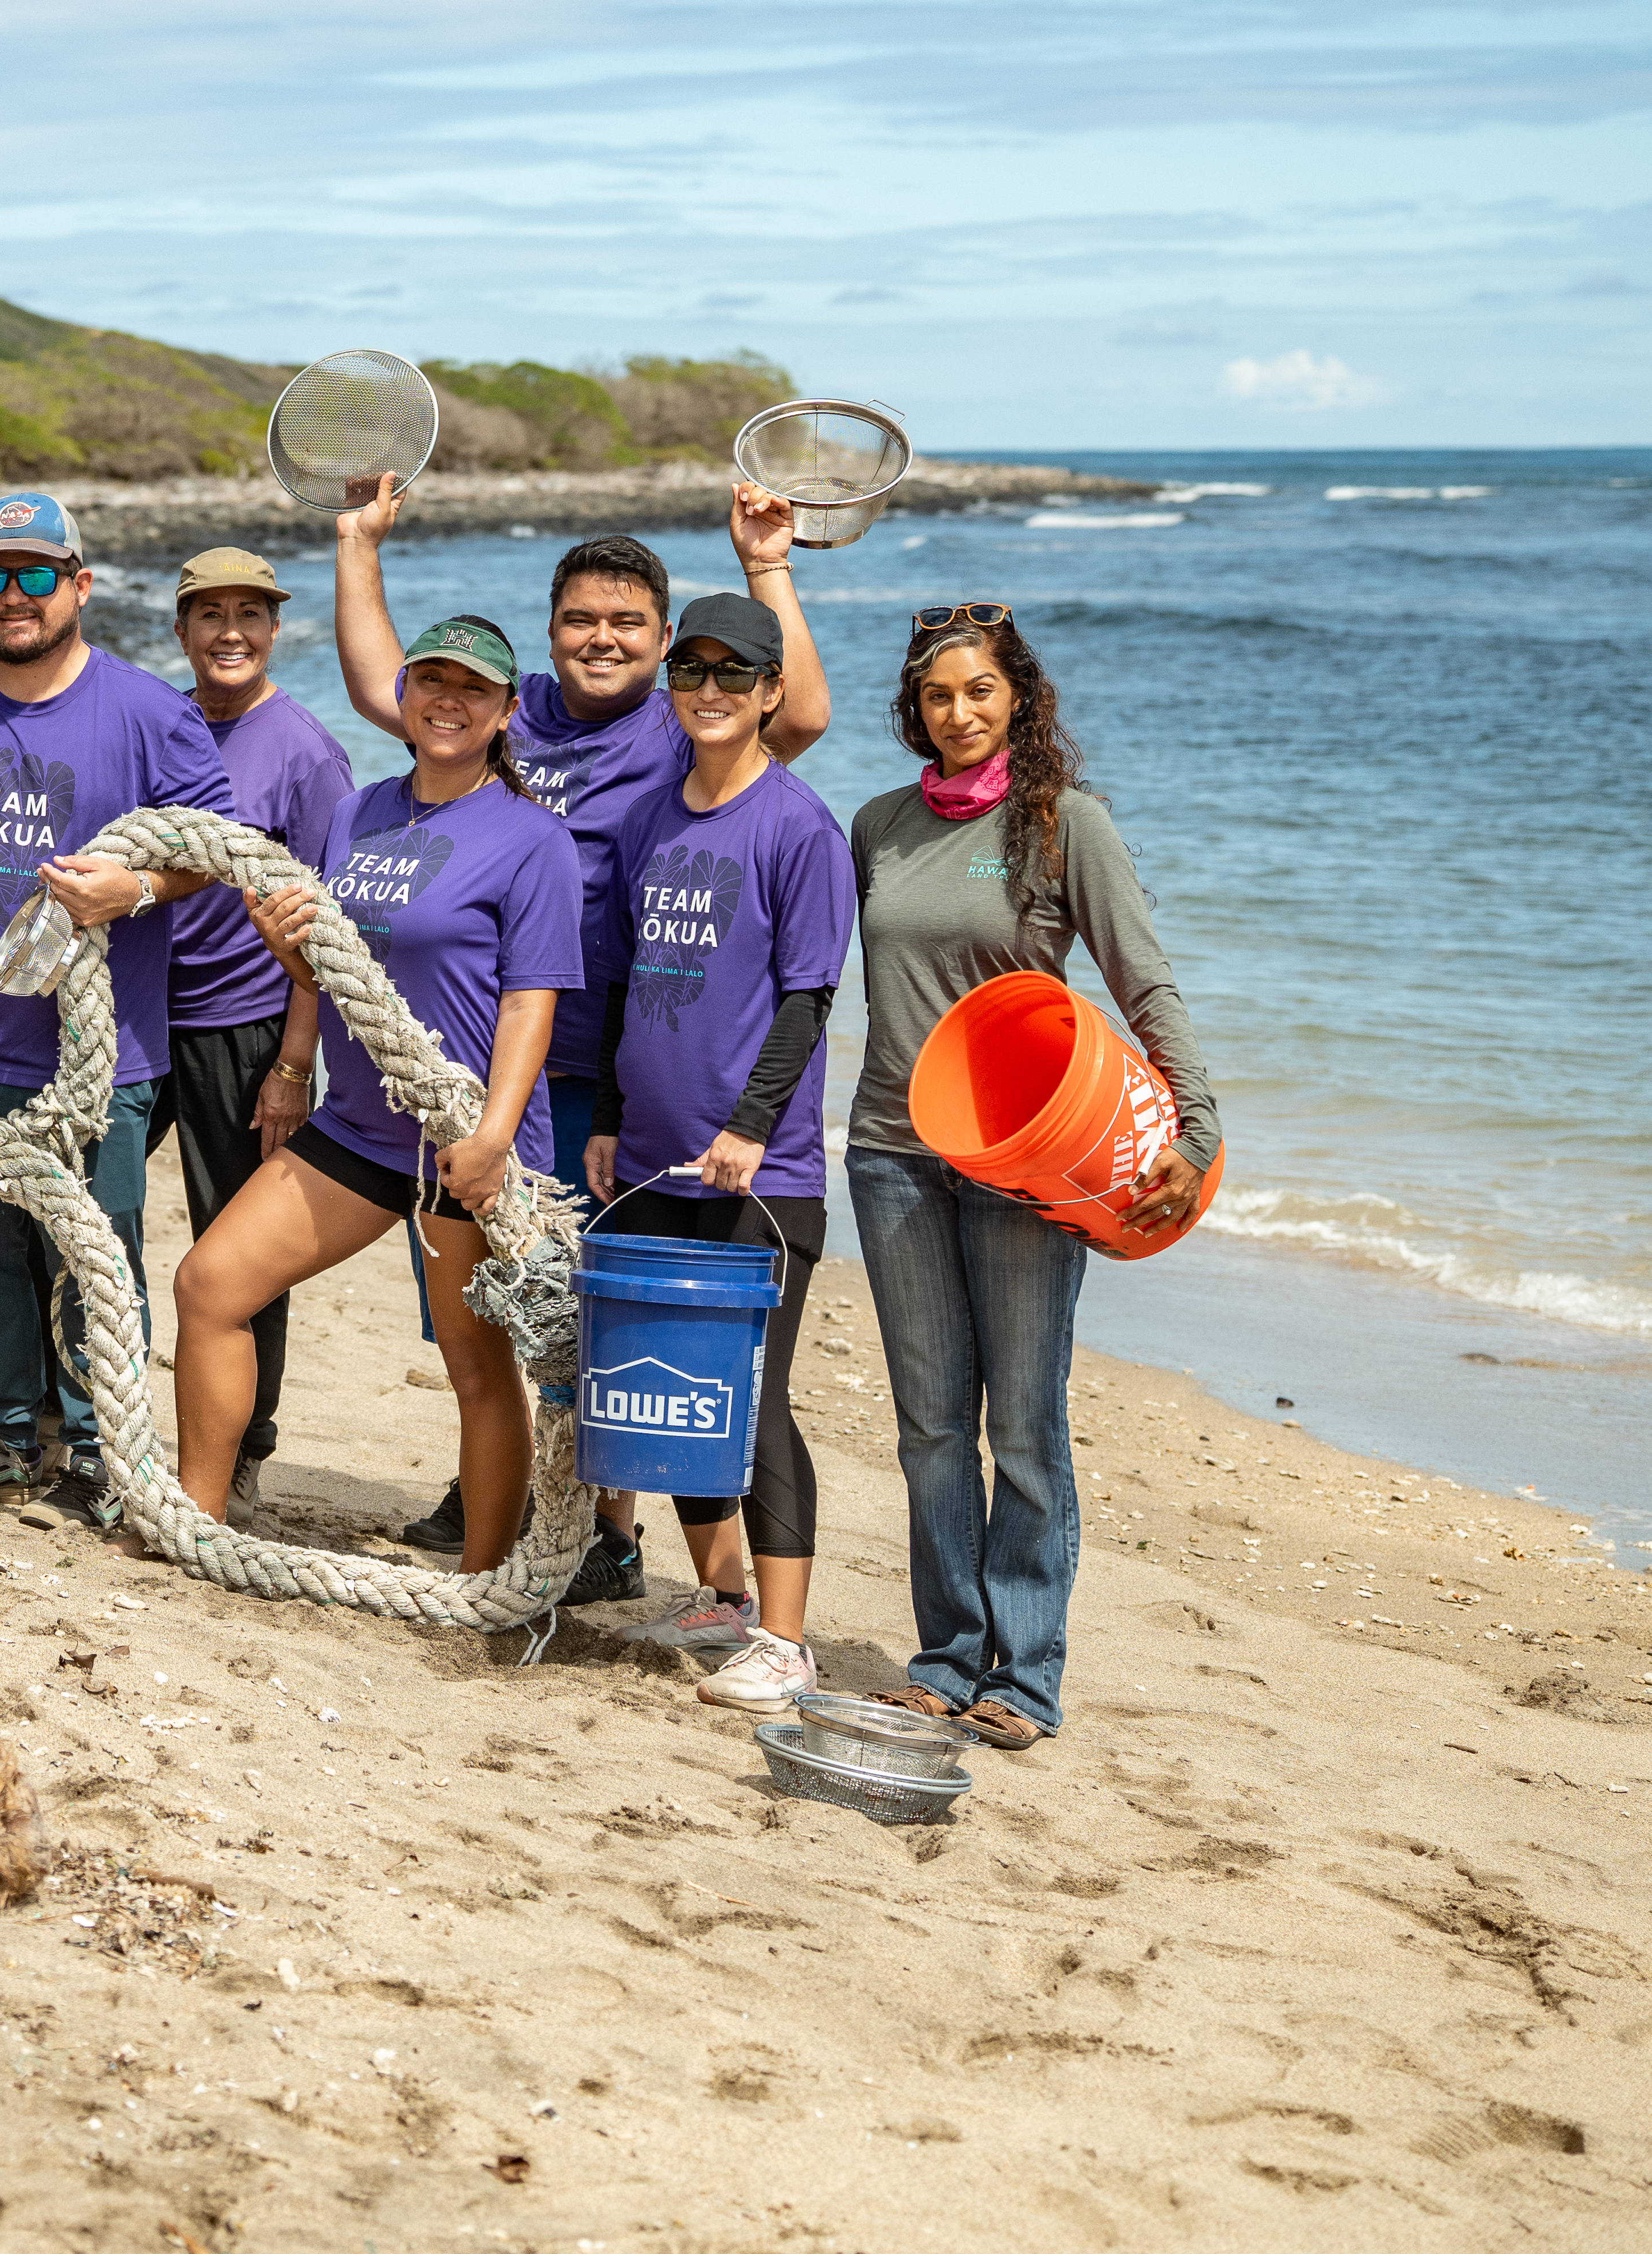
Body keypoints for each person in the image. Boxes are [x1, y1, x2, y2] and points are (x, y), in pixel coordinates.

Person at [333, 490, 827, 1592]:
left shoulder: (678, 722)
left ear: (662, 643)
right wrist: (358, 543)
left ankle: (603, 1532)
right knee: (490, 1303)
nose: (602, 640)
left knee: (569, 1305)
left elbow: (796, 718)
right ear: (549, 630)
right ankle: (510, 1491)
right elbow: (383, 688)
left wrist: (766, 568)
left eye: (627, 625)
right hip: (485, 1065)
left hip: (597, 1070)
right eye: (580, 621)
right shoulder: (520, 712)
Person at [851, 604, 1217, 1750]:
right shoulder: (878, 825)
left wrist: (1194, 1130)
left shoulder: (1066, 825)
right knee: (926, 1428)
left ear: (1018, 697)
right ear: (913, 706)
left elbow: (1142, 979)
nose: (957, 713)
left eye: (979, 691)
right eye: (936, 695)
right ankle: (948, 1656)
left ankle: (1029, 1674)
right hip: (891, 1154)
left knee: (1023, 1426)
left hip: (1024, 1158)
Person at [0, 491, 239, 1531]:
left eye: (35, 575)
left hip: (98, 1057)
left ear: (79, 584)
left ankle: (104, 1450)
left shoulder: (153, 713)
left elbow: (216, 849)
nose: (12, 596)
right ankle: (5, 1439)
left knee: (95, 1258)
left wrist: (140, 890)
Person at [167, 614, 580, 1573]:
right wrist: (285, 950)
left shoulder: (532, 841)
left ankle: (482, 1582)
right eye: (430, 681)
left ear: (506, 711)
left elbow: (532, 1004)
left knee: (475, 1367)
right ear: (401, 697)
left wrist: (490, 1140)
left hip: (464, 1143)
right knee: (210, 1287)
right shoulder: (361, 812)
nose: (448, 700)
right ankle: (195, 1520)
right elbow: (329, 971)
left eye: (472, 689)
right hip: (357, 1125)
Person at [583, 595, 854, 1714]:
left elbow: (807, 998)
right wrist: (604, 1112)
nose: (708, 689)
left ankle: (785, 1639)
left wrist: (748, 1125)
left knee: (753, 1399)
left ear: (770, 692)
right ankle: (722, 1599)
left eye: (732, 674)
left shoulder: (798, 825)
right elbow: (620, 981)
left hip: (762, 1175)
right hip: (647, 1158)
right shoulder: (651, 816)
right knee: (679, 1395)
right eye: (690, 669)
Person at [156, 547, 354, 1526]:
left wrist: (293, 1063)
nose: (229, 631)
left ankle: (237, 1456)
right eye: (209, 614)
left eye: (250, 614)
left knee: (234, 1255)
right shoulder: (160, 720)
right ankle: (69, 1426)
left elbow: (326, 927)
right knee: (69, 1216)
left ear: (276, 630)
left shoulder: (307, 751)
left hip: (243, 1024)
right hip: (137, 1011)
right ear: (181, 629)